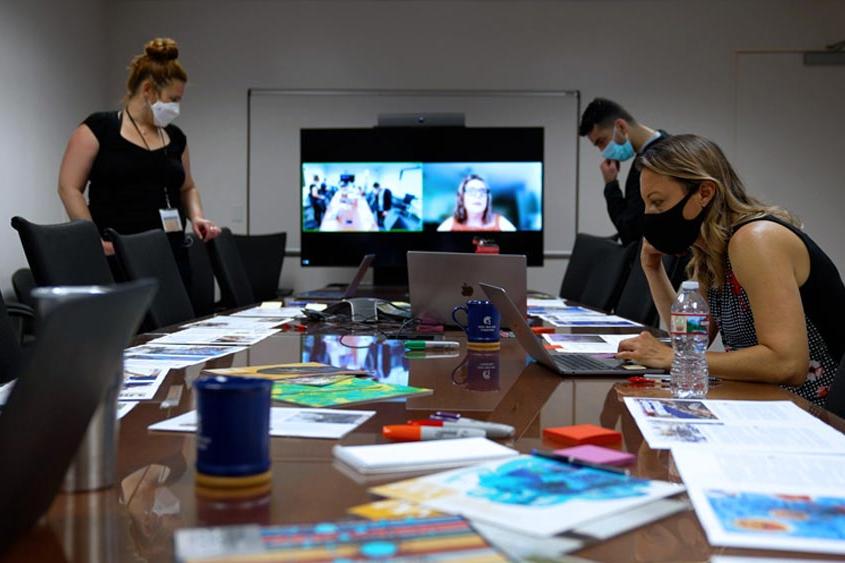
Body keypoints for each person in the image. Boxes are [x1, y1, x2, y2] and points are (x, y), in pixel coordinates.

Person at [616, 134, 845, 406]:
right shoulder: (712, 250)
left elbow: (788, 364)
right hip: (768, 401)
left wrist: (671, 358)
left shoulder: (755, 240)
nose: (650, 215)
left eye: (657, 202)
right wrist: (652, 268)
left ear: (704, 193)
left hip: (819, 415)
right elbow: (690, 338)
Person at [57, 37, 220, 281]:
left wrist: (197, 216)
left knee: (176, 317)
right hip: (118, 256)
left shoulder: (175, 138)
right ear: (148, 91)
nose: (176, 108)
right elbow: (68, 187)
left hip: (170, 255)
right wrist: (93, 240)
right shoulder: (99, 128)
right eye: (173, 99)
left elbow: (188, 187)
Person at [578, 98, 668, 245]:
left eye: (601, 141)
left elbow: (630, 232)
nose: (603, 151)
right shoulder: (663, 150)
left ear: (620, 126)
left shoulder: (652, 164)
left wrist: (610, 185)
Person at [437, 174, 516, 232]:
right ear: (462, 198)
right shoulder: (449, 224)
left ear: (487, 199)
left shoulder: (501, 222)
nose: (478, 196)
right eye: (471, 191)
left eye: (482, 191)